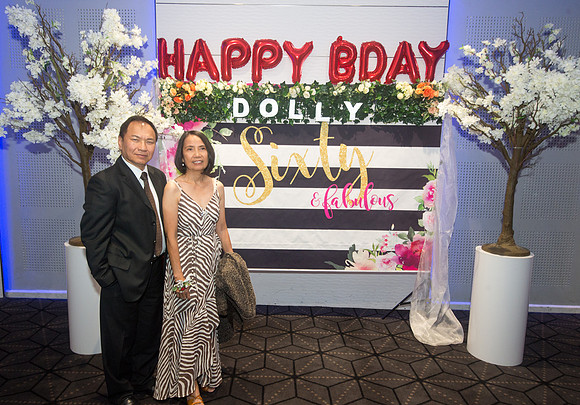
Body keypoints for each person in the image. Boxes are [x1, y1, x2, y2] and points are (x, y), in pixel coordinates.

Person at [81, 115, 166, 405]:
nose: (143, 147)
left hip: (155, 270)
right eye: (135, 139)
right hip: (121, 275)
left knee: (148, 332)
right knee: (119, 338)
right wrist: (107, 277)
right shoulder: (105, 182)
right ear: (120, 142)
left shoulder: (158, 178)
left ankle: (142, 380)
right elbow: (93, 235)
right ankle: (120, 391)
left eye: (149, 141)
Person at [154, 130, 233, 405]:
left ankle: (207, 374)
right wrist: (179, 277)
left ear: (209, 153)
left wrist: (232, 263)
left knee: (207, 323)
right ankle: (190, 387)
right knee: (187, 326)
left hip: (210, 265)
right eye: (190, 149)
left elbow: (221, 228)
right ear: (182, 155)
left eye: (201, 148)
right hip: (185, 266)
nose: (197, 154)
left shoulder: (218, 187)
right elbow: (171, 237)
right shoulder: (172, 188)